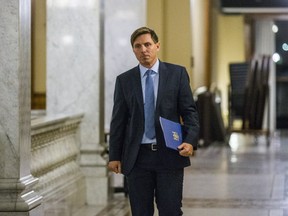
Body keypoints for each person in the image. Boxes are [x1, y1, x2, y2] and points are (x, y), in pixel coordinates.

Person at [108, 26, 199, 216]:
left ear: (157, 46)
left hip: (169, 155)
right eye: (138, 46)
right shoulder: (124, 80)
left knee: (171, 211)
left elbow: (190, 112)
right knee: (141, 212)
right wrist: (114, 155)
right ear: (133, 50)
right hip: (137, 157)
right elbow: (118, 121)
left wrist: (190, 141)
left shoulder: (177, 74)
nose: (143, 50)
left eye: (148, 44)